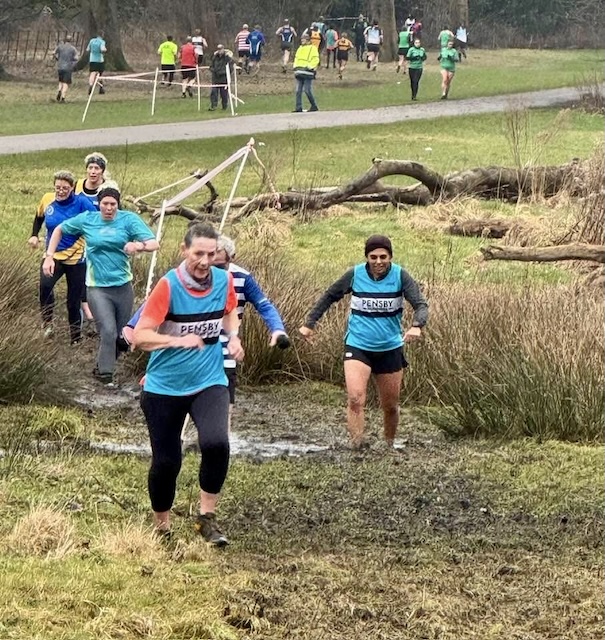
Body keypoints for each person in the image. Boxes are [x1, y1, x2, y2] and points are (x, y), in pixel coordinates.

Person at [132, 223, 244, 545]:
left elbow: (230, 311)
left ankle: (206, 519)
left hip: (209, 381)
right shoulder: (168, 286)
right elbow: (140, 336)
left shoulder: (224, 281)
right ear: (184, 251)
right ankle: (162, 527)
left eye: (211, 254)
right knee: (167, 462)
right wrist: (176, 342)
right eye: (198, 254)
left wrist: (233, 338)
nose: (205, 261)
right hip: (164, 387)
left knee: (216, 443)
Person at [299, 235, 428, 449]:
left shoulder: (400, 276)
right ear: (367, 257)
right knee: (356, 399)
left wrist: (417, 325)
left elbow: (421, 304)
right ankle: (356, 446)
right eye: (373, 257)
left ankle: (388, 445)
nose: (378, 262)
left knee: (390, 406)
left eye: (383, 257)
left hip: (390, 348)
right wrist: (310, 322)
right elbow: (330, 295)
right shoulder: (355, 274)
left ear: (391, 257)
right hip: (358, 345)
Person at [43, 187, 158, 386]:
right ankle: (106, 377)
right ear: (100, 204)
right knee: (108, 331)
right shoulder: (88, 219)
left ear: (117, 205)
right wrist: (49, 256)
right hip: (97, 287)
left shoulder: (128, 220)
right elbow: (60, 229)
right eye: (105, 203)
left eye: (113, 204)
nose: (109, 208)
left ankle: (100, 367)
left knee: (122, 337)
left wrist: (138, 246)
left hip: (123, 286)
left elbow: (154, 243)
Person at [28, 171, 97, 343]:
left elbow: (97, 220)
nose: (60, 191)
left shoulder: (81, 202)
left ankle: (75, 337)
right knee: (45, 288)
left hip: (76, 258)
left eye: (65, 188)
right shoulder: (47, 199)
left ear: (72, 188)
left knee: (73, 300)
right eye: (58, 187)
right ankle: (48, 325)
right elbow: (39, 217)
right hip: (52, 256)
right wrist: (34, 235)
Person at [292, 33, 320, 113]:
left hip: (308, 72)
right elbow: (297, 58)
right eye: (301, 39)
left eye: (303, 39)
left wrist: (310, 67)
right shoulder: (300, 48)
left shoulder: (313, 48)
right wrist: (295, 66)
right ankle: (298, 107)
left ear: (308, 40)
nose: (302, 41)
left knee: (307, 90)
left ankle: (314, 105)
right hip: (299, 71)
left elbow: (315, 59)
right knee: (298, 90)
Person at [53, 35, 78, 103]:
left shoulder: (60, 46)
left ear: (65, 40)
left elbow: (53, 53)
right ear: (71, 41)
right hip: (68, 68)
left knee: (61, 81)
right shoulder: (73, 49)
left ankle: (59, 91)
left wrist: (57, 58)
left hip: (60, 67)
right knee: (66, 83)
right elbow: (76, 58)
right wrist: (73, 63)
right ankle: (63, 98)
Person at [208, 45, 233, 111]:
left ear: (223, 49)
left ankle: (224, 106)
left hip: (224, 78)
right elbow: (211, 67)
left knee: (224, 93)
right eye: (218, 49)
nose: (219, 51)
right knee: (214, 92)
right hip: (215, 78)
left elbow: (230, 68)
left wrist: (223, 73)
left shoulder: (227, 58)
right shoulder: (214, 58)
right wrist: (214, 71)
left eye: (221, 49)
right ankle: (213, 106)